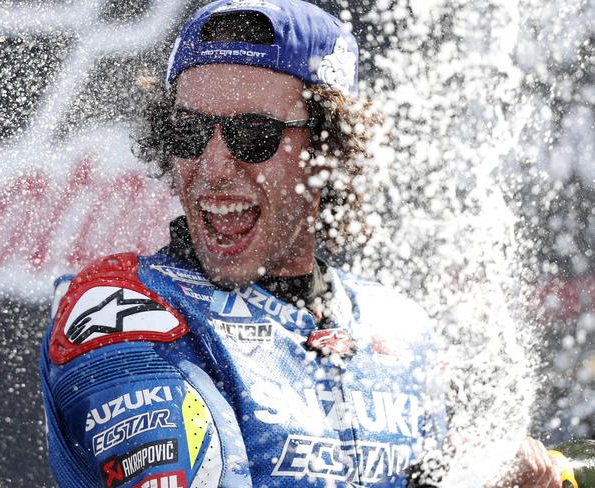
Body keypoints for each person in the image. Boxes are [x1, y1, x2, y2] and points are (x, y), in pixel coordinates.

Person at [40, 0, 561, 487]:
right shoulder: (122, 311)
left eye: (254, 135)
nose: (214, 168)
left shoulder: (400, 326)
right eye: (189, 131)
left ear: (327, 150)